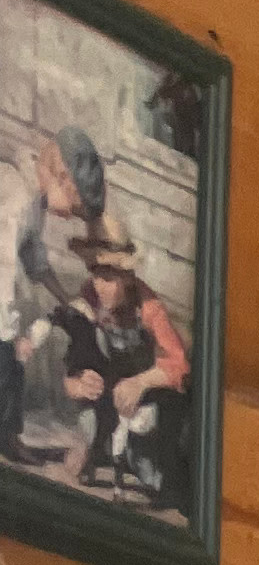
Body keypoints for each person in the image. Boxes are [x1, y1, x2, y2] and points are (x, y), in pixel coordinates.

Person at [62, 212, 189, 512]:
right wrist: (77, 383)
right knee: (89, 429)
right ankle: (96, 444)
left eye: (110, 277)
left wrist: (140, 382)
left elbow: (179, 365)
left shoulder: (149, 306)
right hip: (108, 395)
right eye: (96, 274)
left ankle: (135, 455)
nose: (100, 285)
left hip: (145, 402)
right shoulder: (88, 297)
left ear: (128, 276)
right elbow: (72, 360)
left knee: (150, 476)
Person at [0, 124, 103, 468]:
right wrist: (8, 328)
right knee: (7, 358)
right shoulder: (16, 194)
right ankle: (6, 437)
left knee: (11, 363)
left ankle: (7, 436)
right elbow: (3, 265)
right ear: (61, 175)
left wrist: (65, 297)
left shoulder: (35, 201)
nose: (69, 216)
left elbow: (33, 257)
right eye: (73, 206)